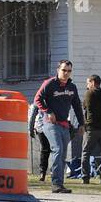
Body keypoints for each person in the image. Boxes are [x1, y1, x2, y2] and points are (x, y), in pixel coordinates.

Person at [33, 60, 84, 194]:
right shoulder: (50, 83)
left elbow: (77, 106)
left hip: (64, 124)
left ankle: (60, 185)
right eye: (63, 70)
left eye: (69, 71)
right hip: (50, 124)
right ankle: (55, 183)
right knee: (57, 149)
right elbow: (37, 99)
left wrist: (82, 124)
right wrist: (48, 111)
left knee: (62, 155)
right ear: (58, 70)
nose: (66, 73)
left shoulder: (72, 87)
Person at [81, 74, 101, 184]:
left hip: (91, 128)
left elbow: (85, 107)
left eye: (88, 83)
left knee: (86, 152)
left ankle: (85, 177)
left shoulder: (88, 93)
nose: (87, 86)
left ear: (93, 82)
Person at [28, 101, 51, 183]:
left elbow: (32, 116)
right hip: (47, 127)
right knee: (49, 149)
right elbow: (32, 116)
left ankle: (43, 173)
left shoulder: (37, 101)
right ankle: (45, 172)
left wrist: (30, 129)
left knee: (45, 149)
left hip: (41, 127)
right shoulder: (51, 98)